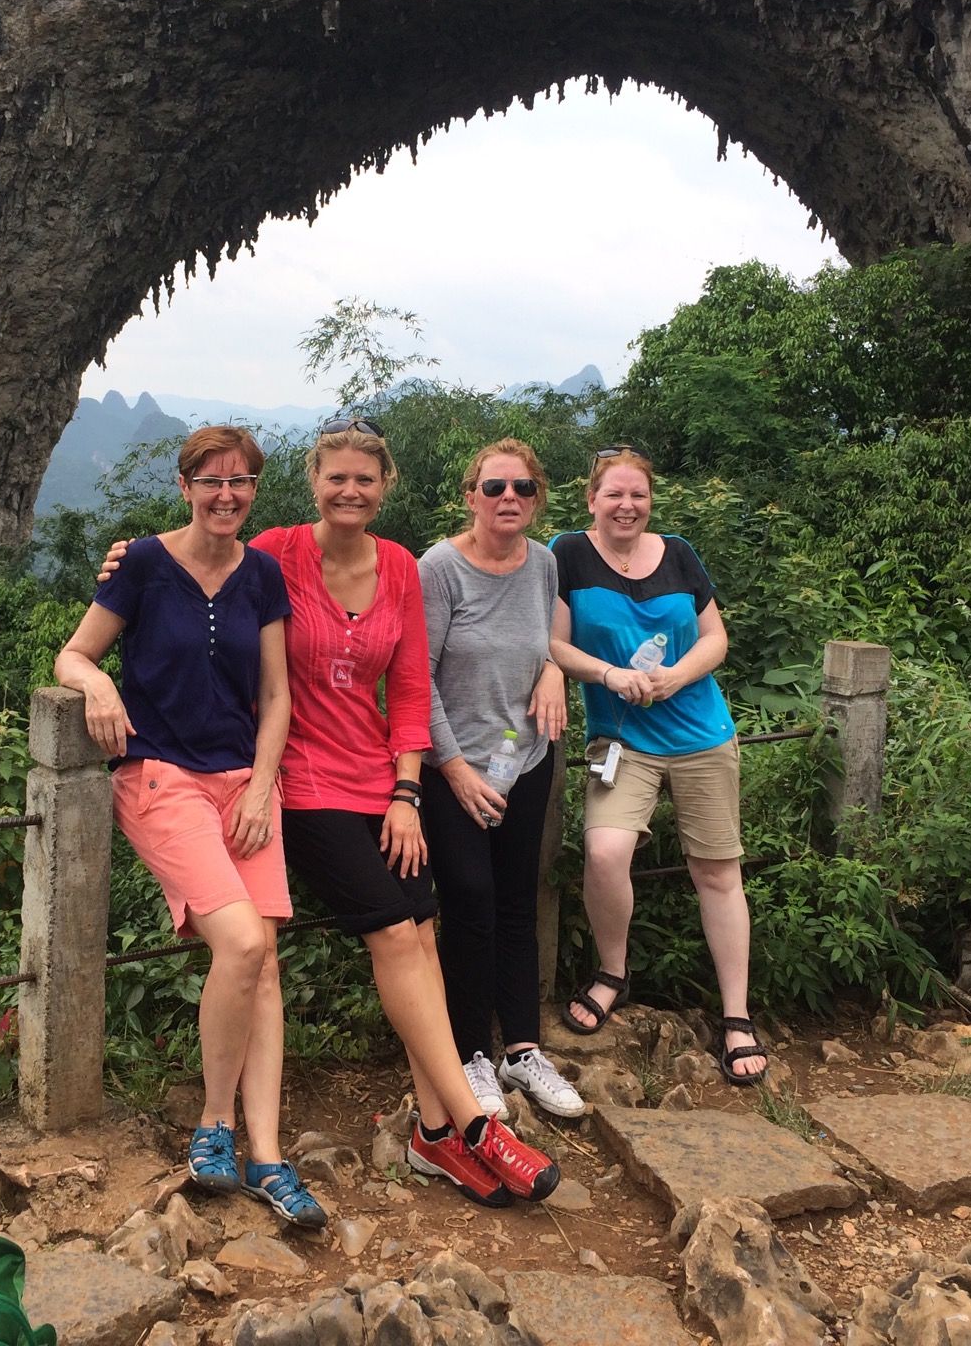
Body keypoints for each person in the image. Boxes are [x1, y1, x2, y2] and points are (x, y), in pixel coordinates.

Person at [102, 419, 561, 1207]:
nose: (350, 491)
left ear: (386, 488)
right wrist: (118, 560)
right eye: (335, 477)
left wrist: (408, 792)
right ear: (313, 482)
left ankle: (434, 1137)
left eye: (365, 479)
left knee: (421, 928)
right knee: (391, 928)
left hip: (377, 776)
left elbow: (411, 689)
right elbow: (193, 557)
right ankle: (474, 1124)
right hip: (299, 782)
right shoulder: (277, 551)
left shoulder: (399, 568)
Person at [55, 425, 327, 1227]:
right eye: (210, 481)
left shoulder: (263, 576)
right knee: (241, 944)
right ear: (184, 486)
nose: (226, 495)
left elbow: (275, 697)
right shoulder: (141, 564)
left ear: (254, 490)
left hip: (244, 783)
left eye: (241, 481)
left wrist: (261, 787)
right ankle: (215, 1124)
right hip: (161, 778)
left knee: (264, 960)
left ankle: (269, 1158)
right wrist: (99, 692)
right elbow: (74, 655)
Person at [548, 445, 769, 1086]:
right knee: (605, 853)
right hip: (618, 739)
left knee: (717, 871)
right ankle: (612, 971)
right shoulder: (568, 553)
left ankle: (736, 1016)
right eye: (614, 494)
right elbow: (555, 644)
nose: (627, 505)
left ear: (651, 501)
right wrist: (609, 673)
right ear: (591, 498)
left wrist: (673, 677)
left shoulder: (678, 552)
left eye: (638, 495)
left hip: (702, 733)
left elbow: (716, 638)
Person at [418, 438, 585, 1122]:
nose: (508, 498)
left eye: (521, 487)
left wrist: (553, 671)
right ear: (470, 496)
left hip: (526, 761)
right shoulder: (441, 569)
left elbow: (546, 639)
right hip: (453, 766)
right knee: (469, 903)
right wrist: (453, 769)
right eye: (494, 488)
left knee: (518, 901)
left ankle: (521, 1048)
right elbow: (413, 679)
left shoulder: (542, 563)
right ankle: (469, 1055)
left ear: (536, 496)